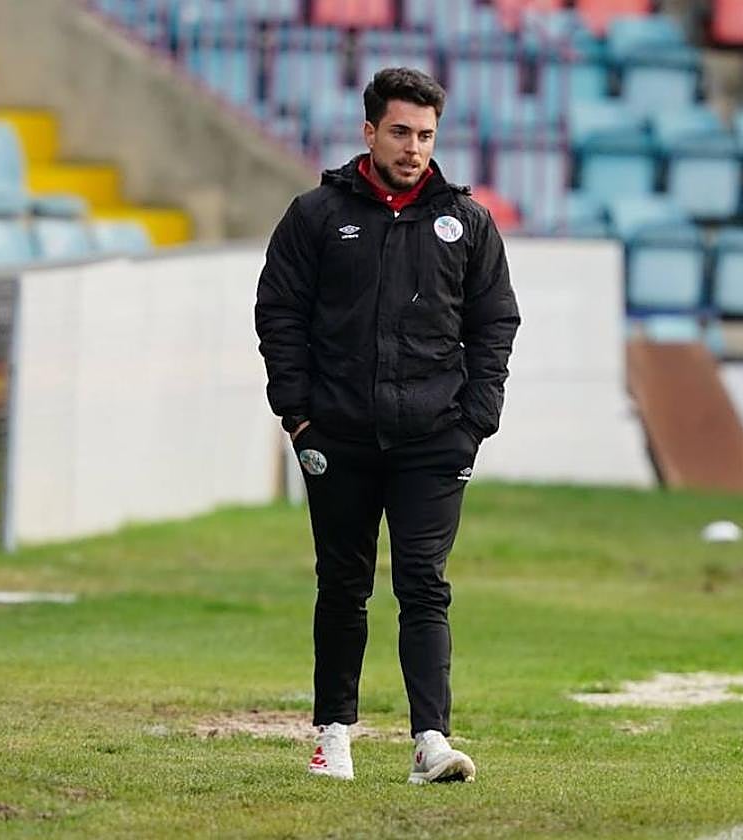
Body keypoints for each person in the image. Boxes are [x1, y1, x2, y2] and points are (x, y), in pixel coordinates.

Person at [254, 67, 520, 784]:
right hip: (336, 435)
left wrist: (475, 421)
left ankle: (431, 741)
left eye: (426, 135)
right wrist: (298, 415)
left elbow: (495, 322)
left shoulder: (466, 222)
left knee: (424, 584)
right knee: (343, 584)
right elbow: (279, 313)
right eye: (401, 132)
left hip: (434, 436)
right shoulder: (315, 215)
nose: (414, 147)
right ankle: (333, 736)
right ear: (369, 131)